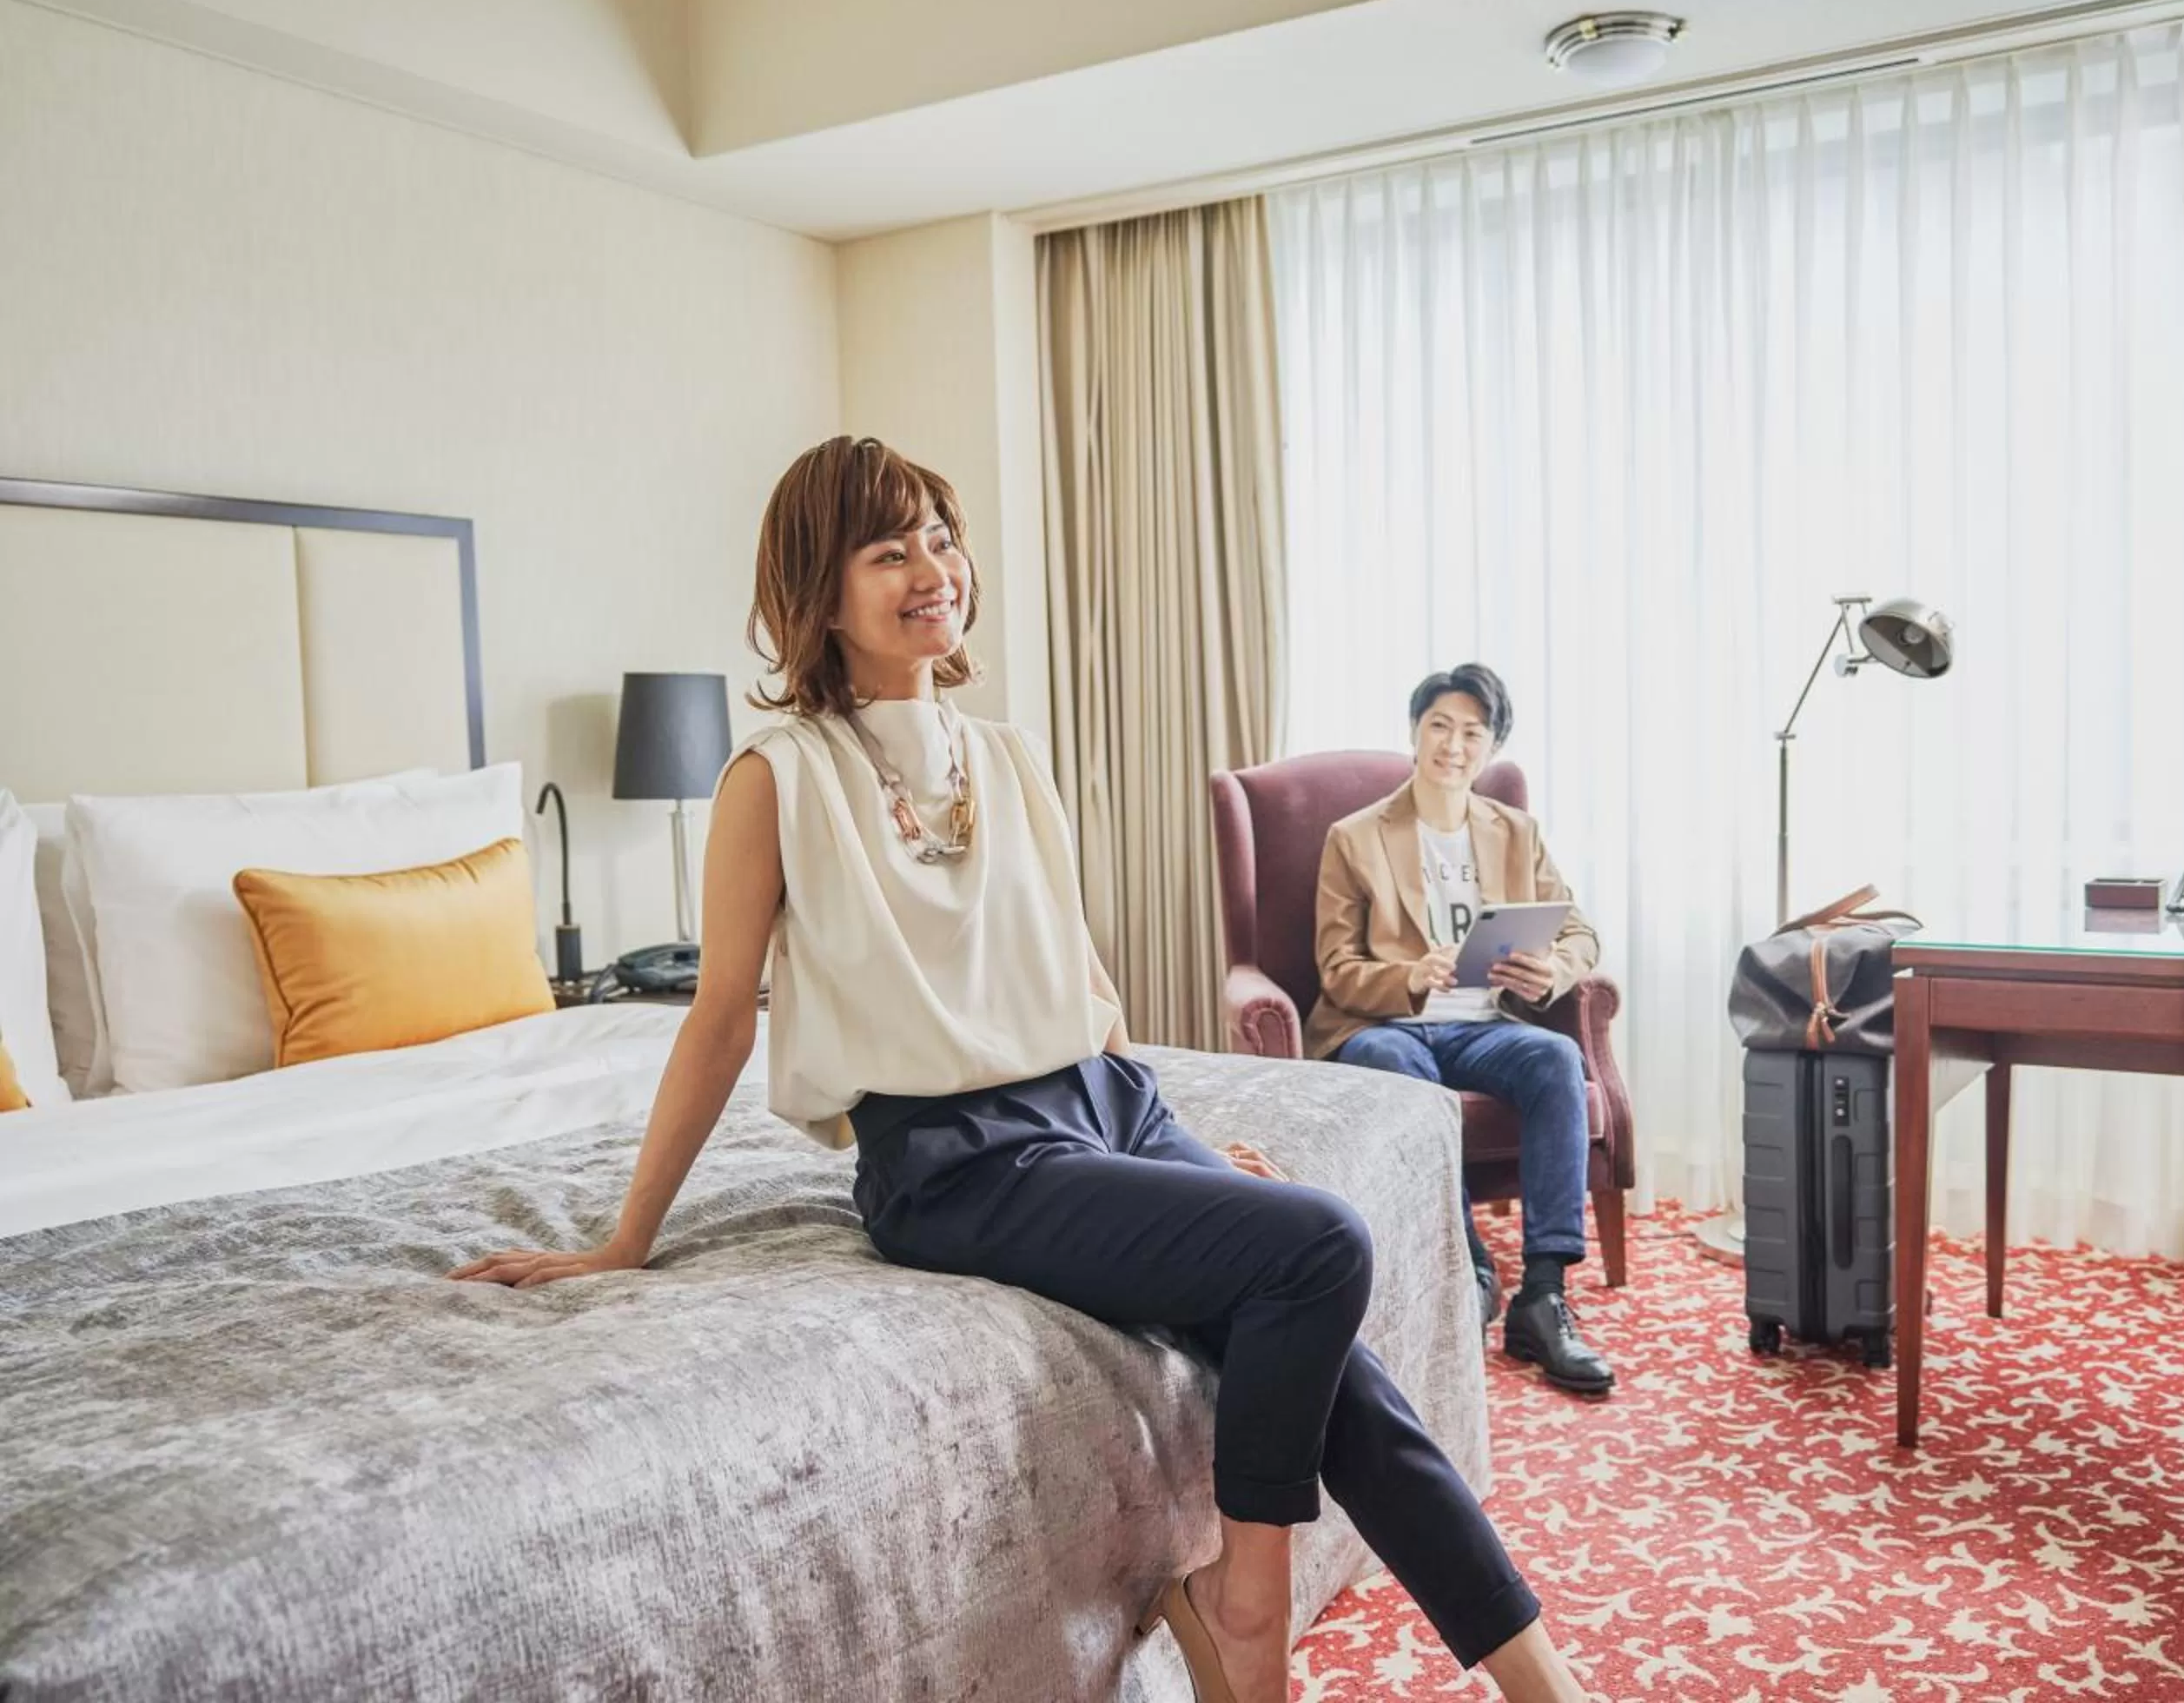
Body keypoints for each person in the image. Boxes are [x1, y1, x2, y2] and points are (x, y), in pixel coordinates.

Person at [449, 440, 1588, 1703]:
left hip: (1100, 1109)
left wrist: (1195, 1158)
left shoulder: (1009, 757)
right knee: (1319, 1247)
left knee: (1333, 1350)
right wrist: (624, 1238)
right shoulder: (778, 779)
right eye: (889, 551)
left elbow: (1079, 996)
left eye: (942, 537)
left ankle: (1540, 1681)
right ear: (819, 596)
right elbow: (720, 1016)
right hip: (954, 1160)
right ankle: (1245, 1613)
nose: (932, 568)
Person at [1307, 664, 1618, 1397]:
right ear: (1415, 734)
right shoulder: (1355, 839)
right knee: (1387, 1059)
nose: (1453, 745)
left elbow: (1579, 933)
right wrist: (1413, 975)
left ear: (1492, 747)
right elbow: (1335, 969)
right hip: (1389, 1024)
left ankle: (1541, 1295)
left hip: (1485, 1026)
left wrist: (1555, 970)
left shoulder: (1515, 832)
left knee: (1555, 1057)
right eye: (1440, 726)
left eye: (1472, 732)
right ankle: (1470, 1268)